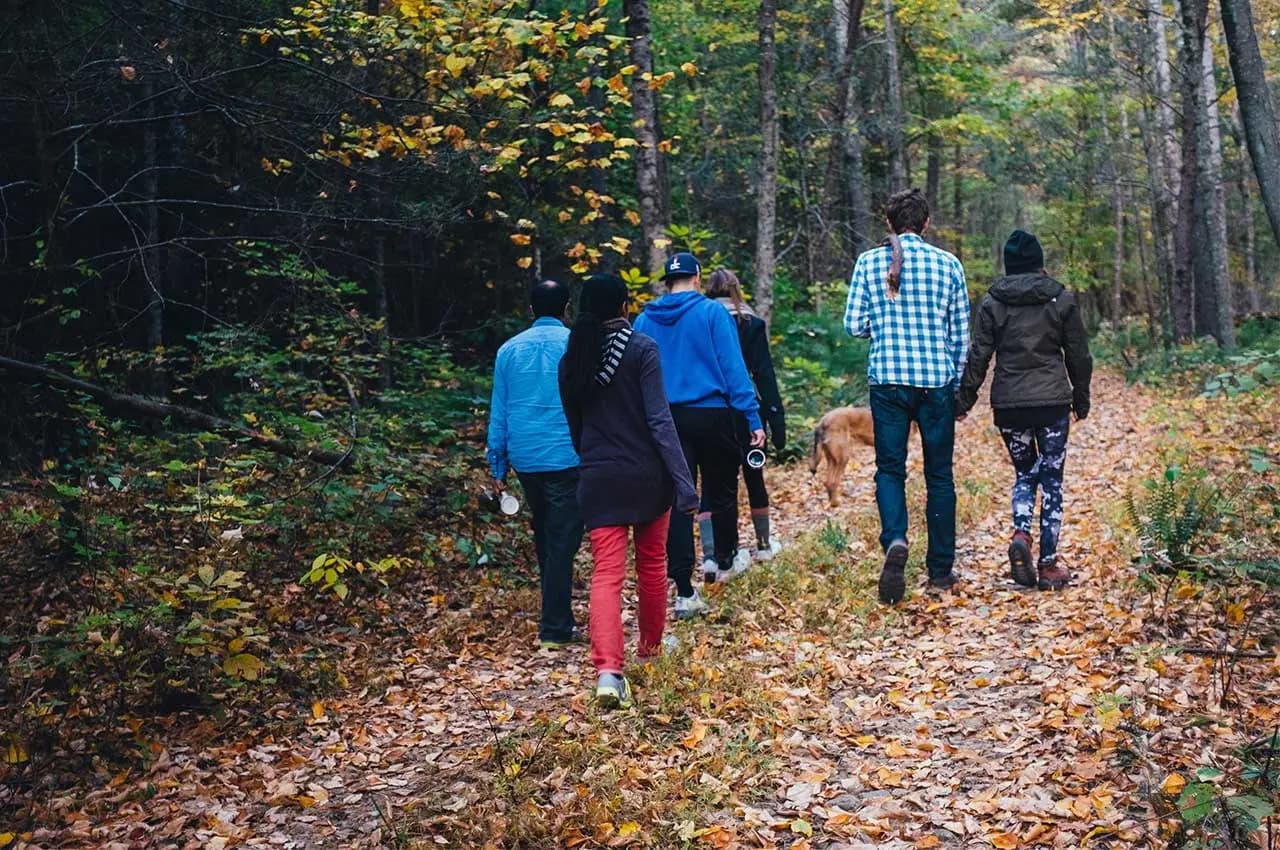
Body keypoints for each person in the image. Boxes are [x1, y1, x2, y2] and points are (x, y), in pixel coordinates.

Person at [559, 273, 698, 709]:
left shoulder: (572, 359)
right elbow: (660, 420)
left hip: (599, 478)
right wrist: (683, 480)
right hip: (646, 478)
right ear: (624, 307)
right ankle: (651, 652)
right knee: (652, 566)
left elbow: (576, 428)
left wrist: (595, 461)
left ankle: (608, 672)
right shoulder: (641, 349)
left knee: (606, 575)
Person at [844, 188, 971, 605]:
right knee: (939, 476)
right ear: (926, 223)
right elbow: (961, 337)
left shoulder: (868, 262)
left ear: (889, 224)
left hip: (888, 382)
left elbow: (853, 325)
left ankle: (896, 539)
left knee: (890, 469)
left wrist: (883, 327)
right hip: (935, 382)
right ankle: (939, 570)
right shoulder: (948, 264)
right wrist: (955, 388)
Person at [955, 230, 1093, 590]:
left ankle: (1021, 533)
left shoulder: (992, 303)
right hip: (1051, 404)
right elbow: (1078, 353)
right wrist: (1081, 398)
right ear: (1038, 262)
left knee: (1024, 473)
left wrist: (964, 400)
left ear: (1008, 263)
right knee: (1051, 480)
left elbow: (979, 355)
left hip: (1010, 404)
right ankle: (1047, 566)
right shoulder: (1060, 299)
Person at [634, 252, 765, 619]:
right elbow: (733, 367)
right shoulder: (712, 313)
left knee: (679, 498)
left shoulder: (645, 319)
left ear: (666, 281)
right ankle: (723, 560)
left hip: (665, 418)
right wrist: (751, 415)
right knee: (720, 490)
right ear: (696, 278)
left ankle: (683, 589)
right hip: (712, 413)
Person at [486, 280, 584, 649]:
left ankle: (555, 611)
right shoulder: (576, 345)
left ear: (531, 310)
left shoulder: (508, 351)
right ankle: (555, 627)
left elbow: (500, 411)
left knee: (546, 531)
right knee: (561, 538)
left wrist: (497, 464)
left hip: (526, 457)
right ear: (566, 308)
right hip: (567, 454)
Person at [700, 269, 786, 564]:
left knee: (712, 483)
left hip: (711, 410)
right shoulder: (752, 323)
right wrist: (776, 416)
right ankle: (763, 545)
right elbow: (763, 373)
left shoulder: (701, 322)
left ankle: (712, 554)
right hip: (748, 412)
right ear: (737, 289)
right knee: (754, 476)